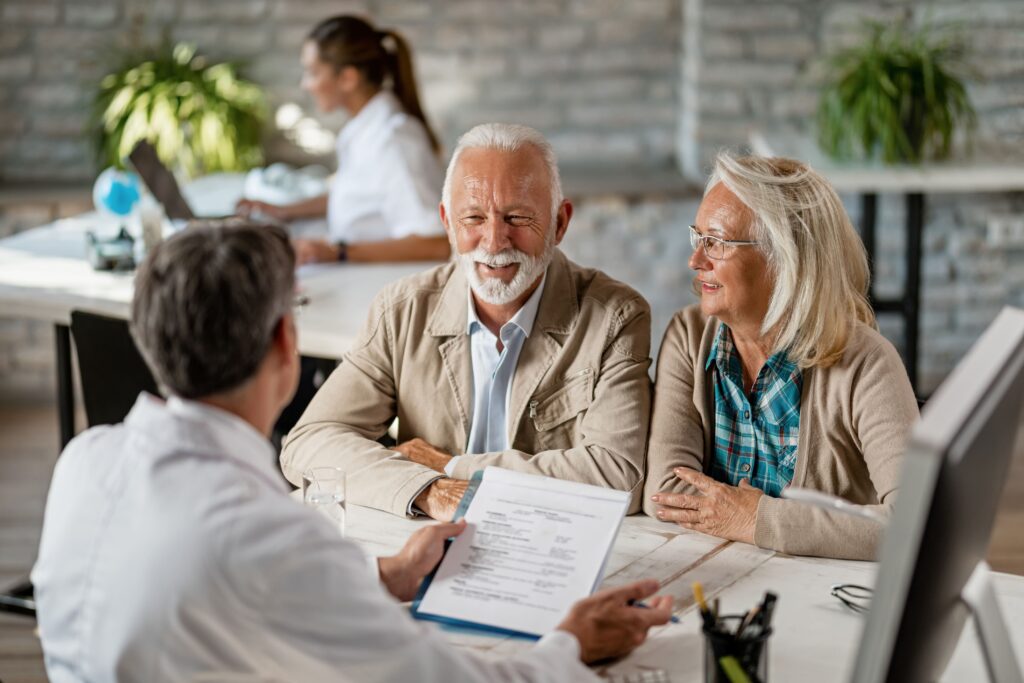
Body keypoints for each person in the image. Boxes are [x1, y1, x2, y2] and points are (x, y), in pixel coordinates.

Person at [31, 221, 672, 682]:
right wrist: (569, 646)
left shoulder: (84, 461)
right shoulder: (271, 536)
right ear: (287, 341)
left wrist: (385, 577)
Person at [280, 123, 653, 520]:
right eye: (474, 218)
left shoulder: (616, 317)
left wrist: (450, 467)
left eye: (517, 217)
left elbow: (619, 479)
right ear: (447, 222)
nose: (494, 242)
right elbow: (310, 443)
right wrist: (430, 491)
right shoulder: (402, 310)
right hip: (426, 541)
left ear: (560, 223)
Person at [643, 154, 919, 561]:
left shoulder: (868, 364)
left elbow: (915, 525)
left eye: (716, 242)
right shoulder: (688, 337)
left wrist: (758, 519)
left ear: (783, 258)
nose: (695, 260)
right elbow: (664, 494)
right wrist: (797, 524)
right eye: (696, 237)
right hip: (717, 577)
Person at [236, 15, 449, 265]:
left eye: (312, 72)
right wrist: (283, 211)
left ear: (348, 78)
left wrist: (337, 252)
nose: (305, 85)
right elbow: (355, 197)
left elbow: (436, 244)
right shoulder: (363, 128)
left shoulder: (394, 141)